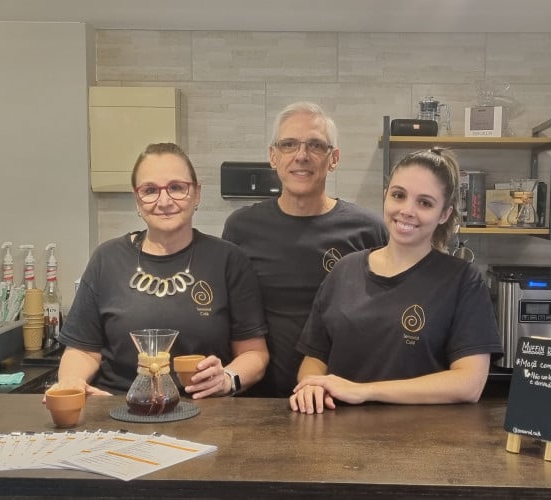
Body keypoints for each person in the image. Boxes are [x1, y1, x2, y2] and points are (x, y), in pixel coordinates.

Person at [290, 148, 503, 414]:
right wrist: (313, 386)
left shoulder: (462, 280)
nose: (406, 211)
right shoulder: (344, 270)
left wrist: (364, 391)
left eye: (424, 203)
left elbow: (469, 383)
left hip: (423, 444)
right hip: (337, 440)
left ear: (444, 214)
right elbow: (315, 357)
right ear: (385, 196)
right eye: (398, 195)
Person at [56, 143, 269, 399]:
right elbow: (82, 350)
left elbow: (254, 354)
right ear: (137, 198)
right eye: (150, 190)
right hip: (117, 411)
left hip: (205, 414)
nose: (164, 201)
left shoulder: (228, 260)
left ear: (197, 193)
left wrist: (226, 379)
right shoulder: (107, 259)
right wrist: (72, 383)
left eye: (177, 188)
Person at [222, 101, 387, 397]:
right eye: (289, 145)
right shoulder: (241, 227)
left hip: (340, 397)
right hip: (257, 400)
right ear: (273, 156)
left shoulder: (368, 230)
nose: (301, 156)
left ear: (333, 158)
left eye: (315, 145)